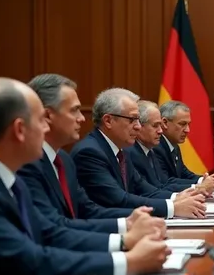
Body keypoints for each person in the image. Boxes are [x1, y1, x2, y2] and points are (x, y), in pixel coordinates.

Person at [0, 77, 169, 275]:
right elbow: (28, 259)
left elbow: (50, 232)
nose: (45, 128)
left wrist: (126, 239)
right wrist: (129, 262)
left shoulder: (7, 177)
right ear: (19, 130)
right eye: (40, 120)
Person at [18, 73, 158, 234]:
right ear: (48, 115)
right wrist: (123, 240)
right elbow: (54, 228)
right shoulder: (27, 163)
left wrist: (131, 220)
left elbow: (88, 210)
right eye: (74, 110)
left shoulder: (63, 159)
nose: (82, 118)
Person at [70, 88, 206, 219]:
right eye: (132, 120)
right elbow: (119, 199)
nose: (138, 126)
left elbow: (146, 189)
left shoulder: (120, 150)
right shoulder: (90, 152)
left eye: (138, 120)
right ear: (108, 121)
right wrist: (172, 207)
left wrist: (178, 198)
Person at [128, 100, 214, 194]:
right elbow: (153, 190)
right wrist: (197, 188)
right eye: (155, 125)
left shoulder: (151, 149)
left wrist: (204, 181)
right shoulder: (138, 151)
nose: (160, 131)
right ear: (138, 126)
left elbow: (167, 182)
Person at [154, 100, 214, 188]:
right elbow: (166, 181)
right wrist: (200, 187)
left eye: (188, 124)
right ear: (165, 123)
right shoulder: (155, 147)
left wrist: (208, 180)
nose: (187, 130)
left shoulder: (174, 145)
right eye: (182, 124)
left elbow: (184, 173)